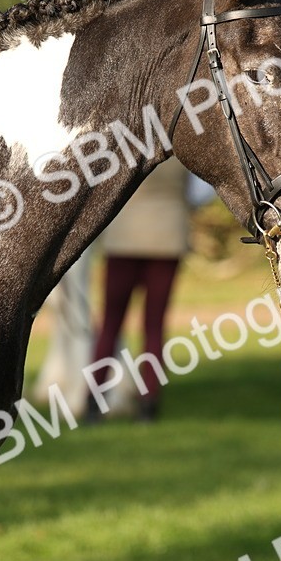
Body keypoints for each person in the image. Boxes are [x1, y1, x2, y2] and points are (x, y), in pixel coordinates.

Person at [85, 158, 212, 422]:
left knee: (110, 322)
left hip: (123, 238)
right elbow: (203, 192)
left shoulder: (124, 143)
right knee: (154, 325)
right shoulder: (180, 147)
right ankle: (148, 403)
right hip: (167, 236)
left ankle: (93, 401)